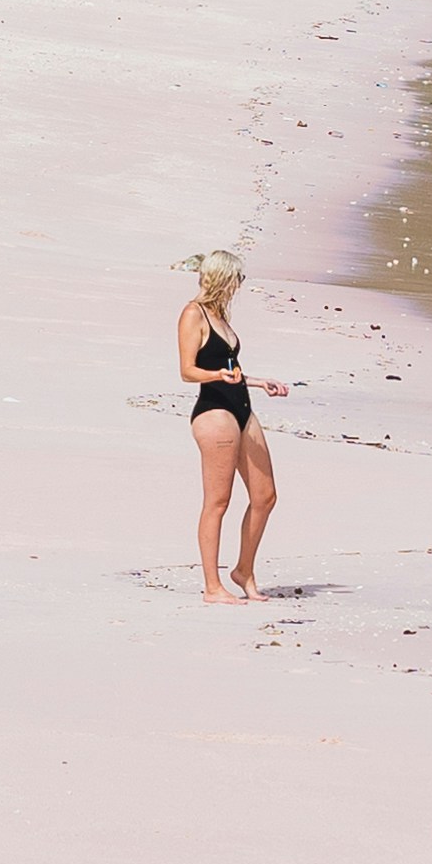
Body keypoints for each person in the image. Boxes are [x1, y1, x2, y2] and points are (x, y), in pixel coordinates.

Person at [177, 249, 279, 601]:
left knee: (265, 497)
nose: (240, 284)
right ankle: (212, 586)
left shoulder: (220, 314)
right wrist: (216, 374)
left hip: (241, 407)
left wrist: (259, 381)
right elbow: (187, 370)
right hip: (214, 411)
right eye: (238, 278)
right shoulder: (194, 314)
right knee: (218, 501)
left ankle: (243, 571)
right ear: (223, 277)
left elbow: (230, 371)